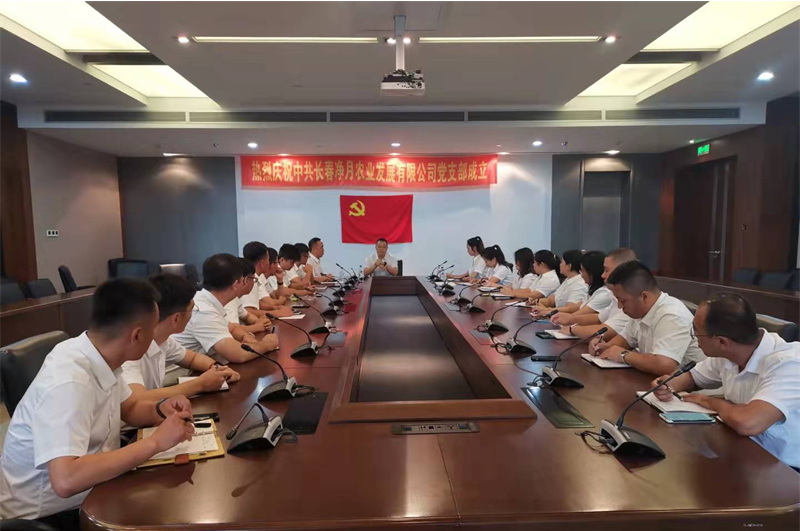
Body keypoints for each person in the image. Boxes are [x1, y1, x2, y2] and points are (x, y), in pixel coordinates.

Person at [0, 279, 194, 524]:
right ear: (137, 335)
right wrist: (156, 442)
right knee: (172, 511)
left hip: (96, 485)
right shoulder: (69, 381)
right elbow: (66, 479)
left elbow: (130, 408)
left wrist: (160, 408)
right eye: (154, 327)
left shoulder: (99, 354)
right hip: (47, 515)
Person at [650, 293, 799, 470]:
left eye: (697, 331)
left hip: (785, 470)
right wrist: (667, 385)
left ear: (721, 341)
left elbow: (747, 422)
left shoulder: (789, 364)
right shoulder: (729, 352)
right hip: (742, 451)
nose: (694, 337)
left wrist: (709, 401)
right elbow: (691, 377)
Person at [120, 274, 240, 403]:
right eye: (192, 310)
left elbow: (192, 359)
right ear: (176, 318)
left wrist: (217, 369)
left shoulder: (163, 340)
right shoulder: (130, 349)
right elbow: (137, 399)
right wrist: (200, 384)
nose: (193, 314)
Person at [590, 261, 705, 375]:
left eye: (623, 301)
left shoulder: (672, 315)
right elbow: (625, 340)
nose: (620, 306)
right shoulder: (640, 312)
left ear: (644, 296)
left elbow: (665, 365)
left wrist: (623, 355)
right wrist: (604, 347)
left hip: (689, 385)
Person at [172, 253, 278, 364]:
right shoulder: (204, 312)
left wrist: (245, 335)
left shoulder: (207, 299)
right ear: (236, 283)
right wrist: (266, 344)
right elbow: (238, 355)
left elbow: (232, 328)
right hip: (184, 372)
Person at [548, 248, 631, 338]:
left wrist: (572, 329)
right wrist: (570, 318)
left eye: (606, 270)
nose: (603, 275)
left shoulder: (607, 294)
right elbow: (598, 318)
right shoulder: (614, 298)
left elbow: (606, 330)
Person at [224, 259, 272, 341]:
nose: (254, 282)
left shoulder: (235, 298)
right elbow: (232, 330)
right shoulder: (228, 300)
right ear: (245, 280)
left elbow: (247, 316)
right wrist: (257, 327)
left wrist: (260, 321)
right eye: (253, 279)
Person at [241, 241, 292, 317]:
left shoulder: (255, 277)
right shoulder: (250, 280)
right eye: (268, 259)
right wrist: (278, 313)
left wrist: (274, 308)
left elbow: (257, 303)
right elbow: (248, 310)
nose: (269, 263)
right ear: (262, 263)